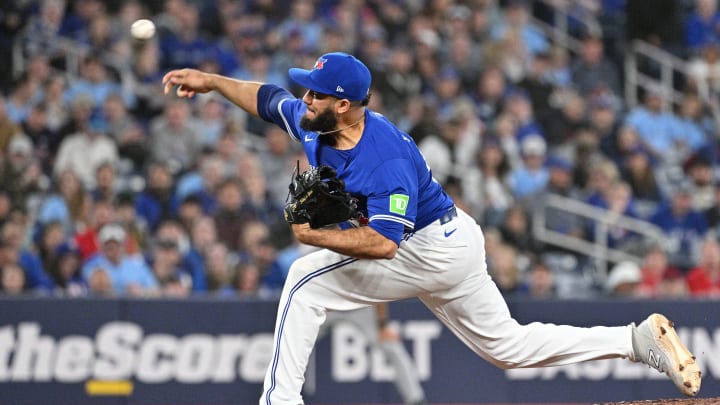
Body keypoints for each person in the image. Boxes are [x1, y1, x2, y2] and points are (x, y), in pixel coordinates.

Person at [162, 51, 701, 404]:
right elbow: (267, 99)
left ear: (343, 105)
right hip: (450, 239)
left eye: (317, 95)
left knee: (305, 278)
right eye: (308, 91)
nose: (305, 99)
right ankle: (633, 341)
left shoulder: (384, 159)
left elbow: (383, 244)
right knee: (507, 349)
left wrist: (315, 236)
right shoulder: (315, 123)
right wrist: (210, 81)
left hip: (426, 246)